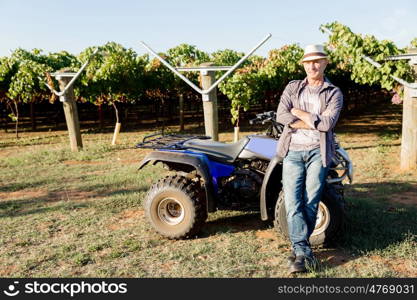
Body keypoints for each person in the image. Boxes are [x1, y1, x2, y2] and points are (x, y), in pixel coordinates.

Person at [276, 44, 343, 273]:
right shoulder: (293, 87)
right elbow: (281, 114)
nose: (312, 65)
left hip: (317, 152)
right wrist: (312, 120)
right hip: (293, 151)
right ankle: (302, 250)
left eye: (317, 61)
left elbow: (327, 124)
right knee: (293, 202)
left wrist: (300, 113)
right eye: (308, 62)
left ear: (325, 63)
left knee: (310, 201)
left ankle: (300, 251)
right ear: (303, 65)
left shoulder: (333, 92)